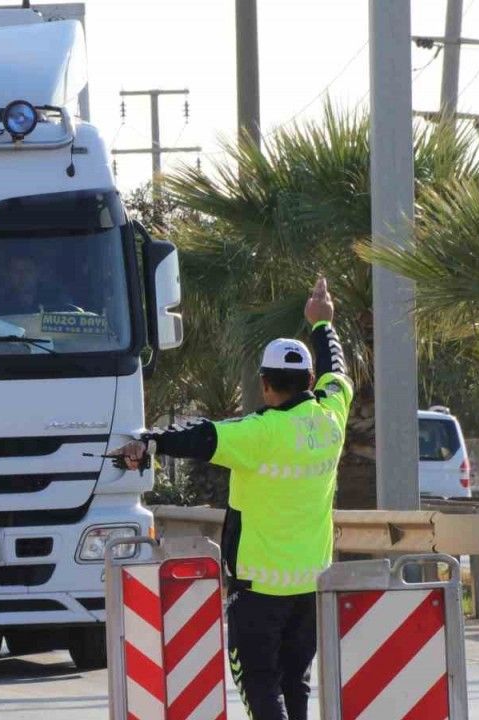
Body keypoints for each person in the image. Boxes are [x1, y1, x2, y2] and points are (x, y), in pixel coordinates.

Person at [113, 276, 349, 720]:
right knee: (295, 684)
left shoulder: (257, 433)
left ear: (264, 385)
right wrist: (323, 323)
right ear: (309, 380)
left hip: (258, 591)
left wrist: (149, 443)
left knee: (259, 682)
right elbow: (337, 369)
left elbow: (200, 436)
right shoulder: (332, 418)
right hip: (310, 586)